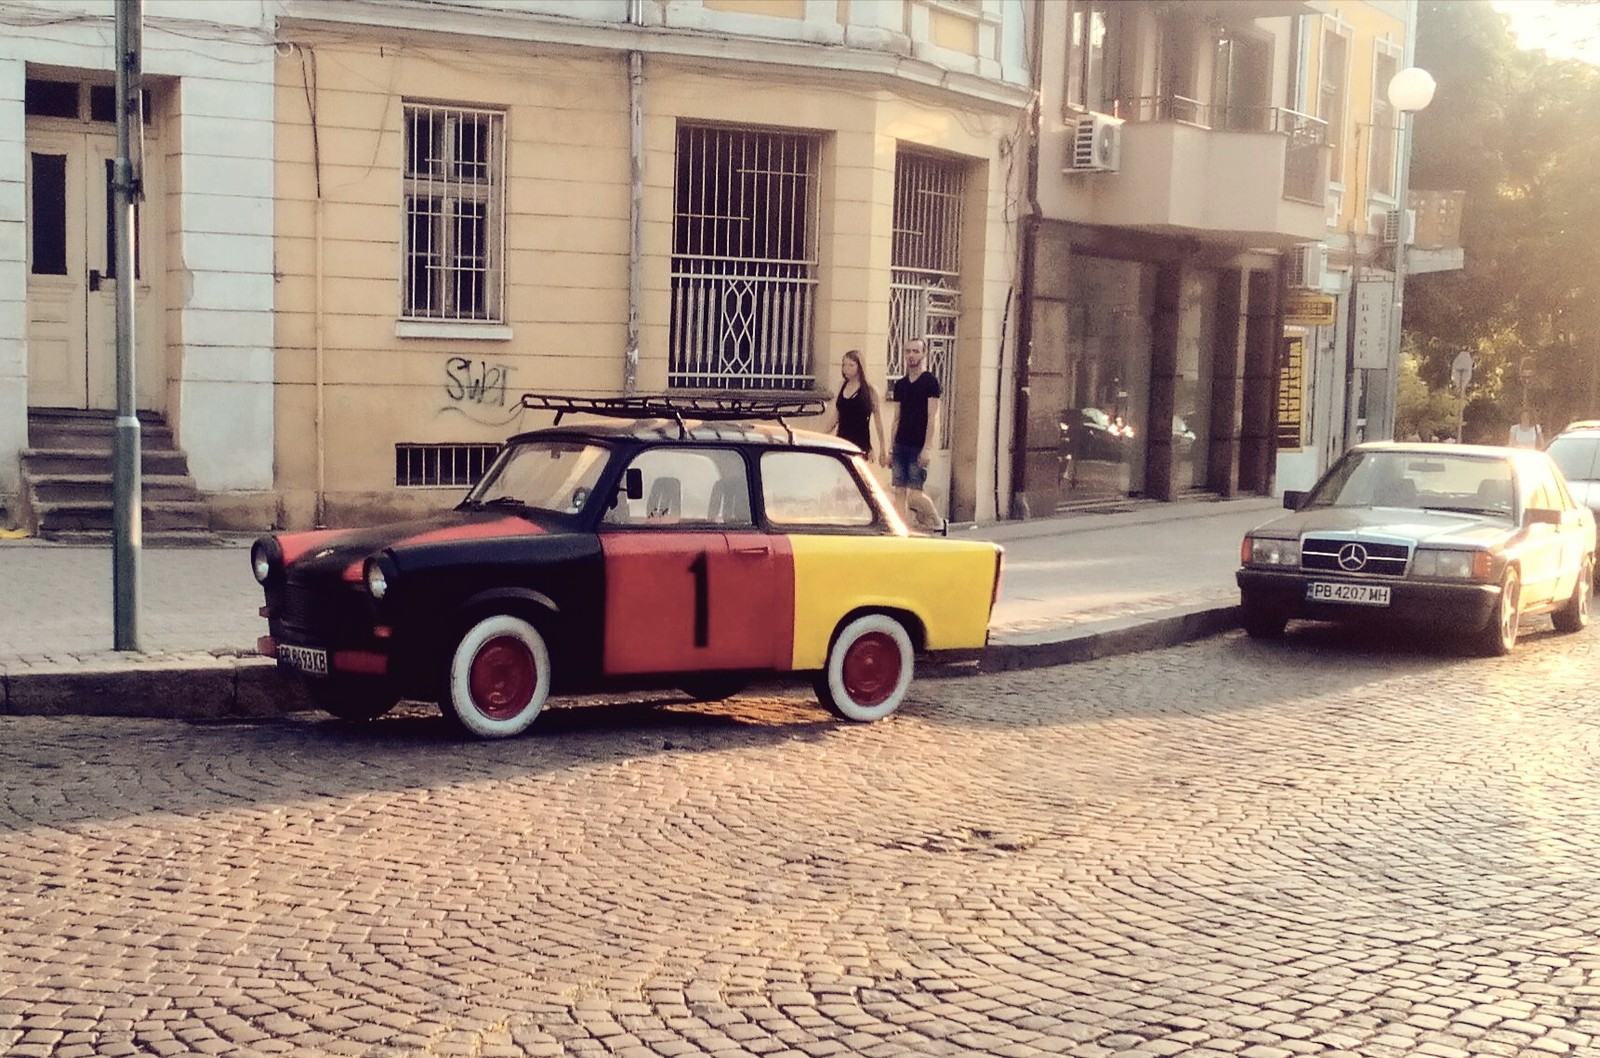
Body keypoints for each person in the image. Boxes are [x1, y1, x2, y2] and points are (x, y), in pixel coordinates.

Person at [888, 339, 943, 531]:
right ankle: (901, 530)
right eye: (908, 352)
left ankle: (936, 520)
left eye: (916, 351)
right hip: (901, 443)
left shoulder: (930, 382)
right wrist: (890, 448)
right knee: (899, 492)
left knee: (915, 494)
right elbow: (896, 418)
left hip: (918, 444)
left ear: (924, 354)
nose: (911, 355)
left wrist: (927, 448)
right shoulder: (901, 385)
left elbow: (932, 417)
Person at [820, 349, 887, 463]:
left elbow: (878, 421)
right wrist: (822, 436)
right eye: (844, 365)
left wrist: (883, 449)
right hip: (842, 440)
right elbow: (836, 416)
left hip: (860, 443)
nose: (846, 368)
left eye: (851, 365)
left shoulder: (870, 390)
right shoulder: (842, 385)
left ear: (859, 367)